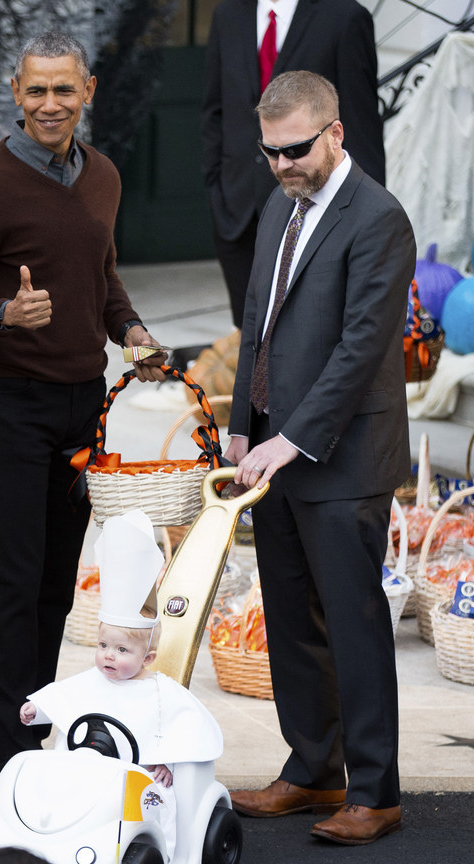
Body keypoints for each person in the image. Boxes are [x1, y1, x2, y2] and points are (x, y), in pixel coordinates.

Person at [0, 30, 167, 788]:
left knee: (57, 578)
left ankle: (39, 718)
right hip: (6, 400)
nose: (49, 104)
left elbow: (103, 279)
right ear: (15, 92)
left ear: (88, 92)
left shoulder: (101, 176)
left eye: (63, 90)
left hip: (83, 403)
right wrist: (6, 315)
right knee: (14, 572)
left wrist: (131, 332)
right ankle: (7, 750)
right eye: (36, 90)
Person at [226, 70, 415, 846]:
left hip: (342, 456)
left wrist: (289, 439)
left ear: (337, 132)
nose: (282, 166)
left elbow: (359, 349)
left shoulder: (380, 220)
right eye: (271, 153)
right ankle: (313, 770)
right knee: (292, 621)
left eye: (296, 149)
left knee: (353, 622)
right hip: (272, 450)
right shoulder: (280, 205)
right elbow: (257, 324)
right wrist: (242, 425)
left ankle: (375, 790)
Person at [18, 511, 223, 860]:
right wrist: (37, 709)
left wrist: (166, 763)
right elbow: (64, 697)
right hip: (87, 775)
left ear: (147, 658)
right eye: (103, 647)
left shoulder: (163, 693)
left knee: (158, 801)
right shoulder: (92, 681)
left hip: (136, 782)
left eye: (122, 650)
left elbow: (186, 733)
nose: (108, 657)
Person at [201, 0, 385, 329]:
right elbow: (215, 111)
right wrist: (216, 187)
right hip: (237, 213)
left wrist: (364, 220)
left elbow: (361, 125)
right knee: (252, 340)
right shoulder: (227, 15)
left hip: (316, 213)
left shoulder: (344, 17)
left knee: (310, 342)